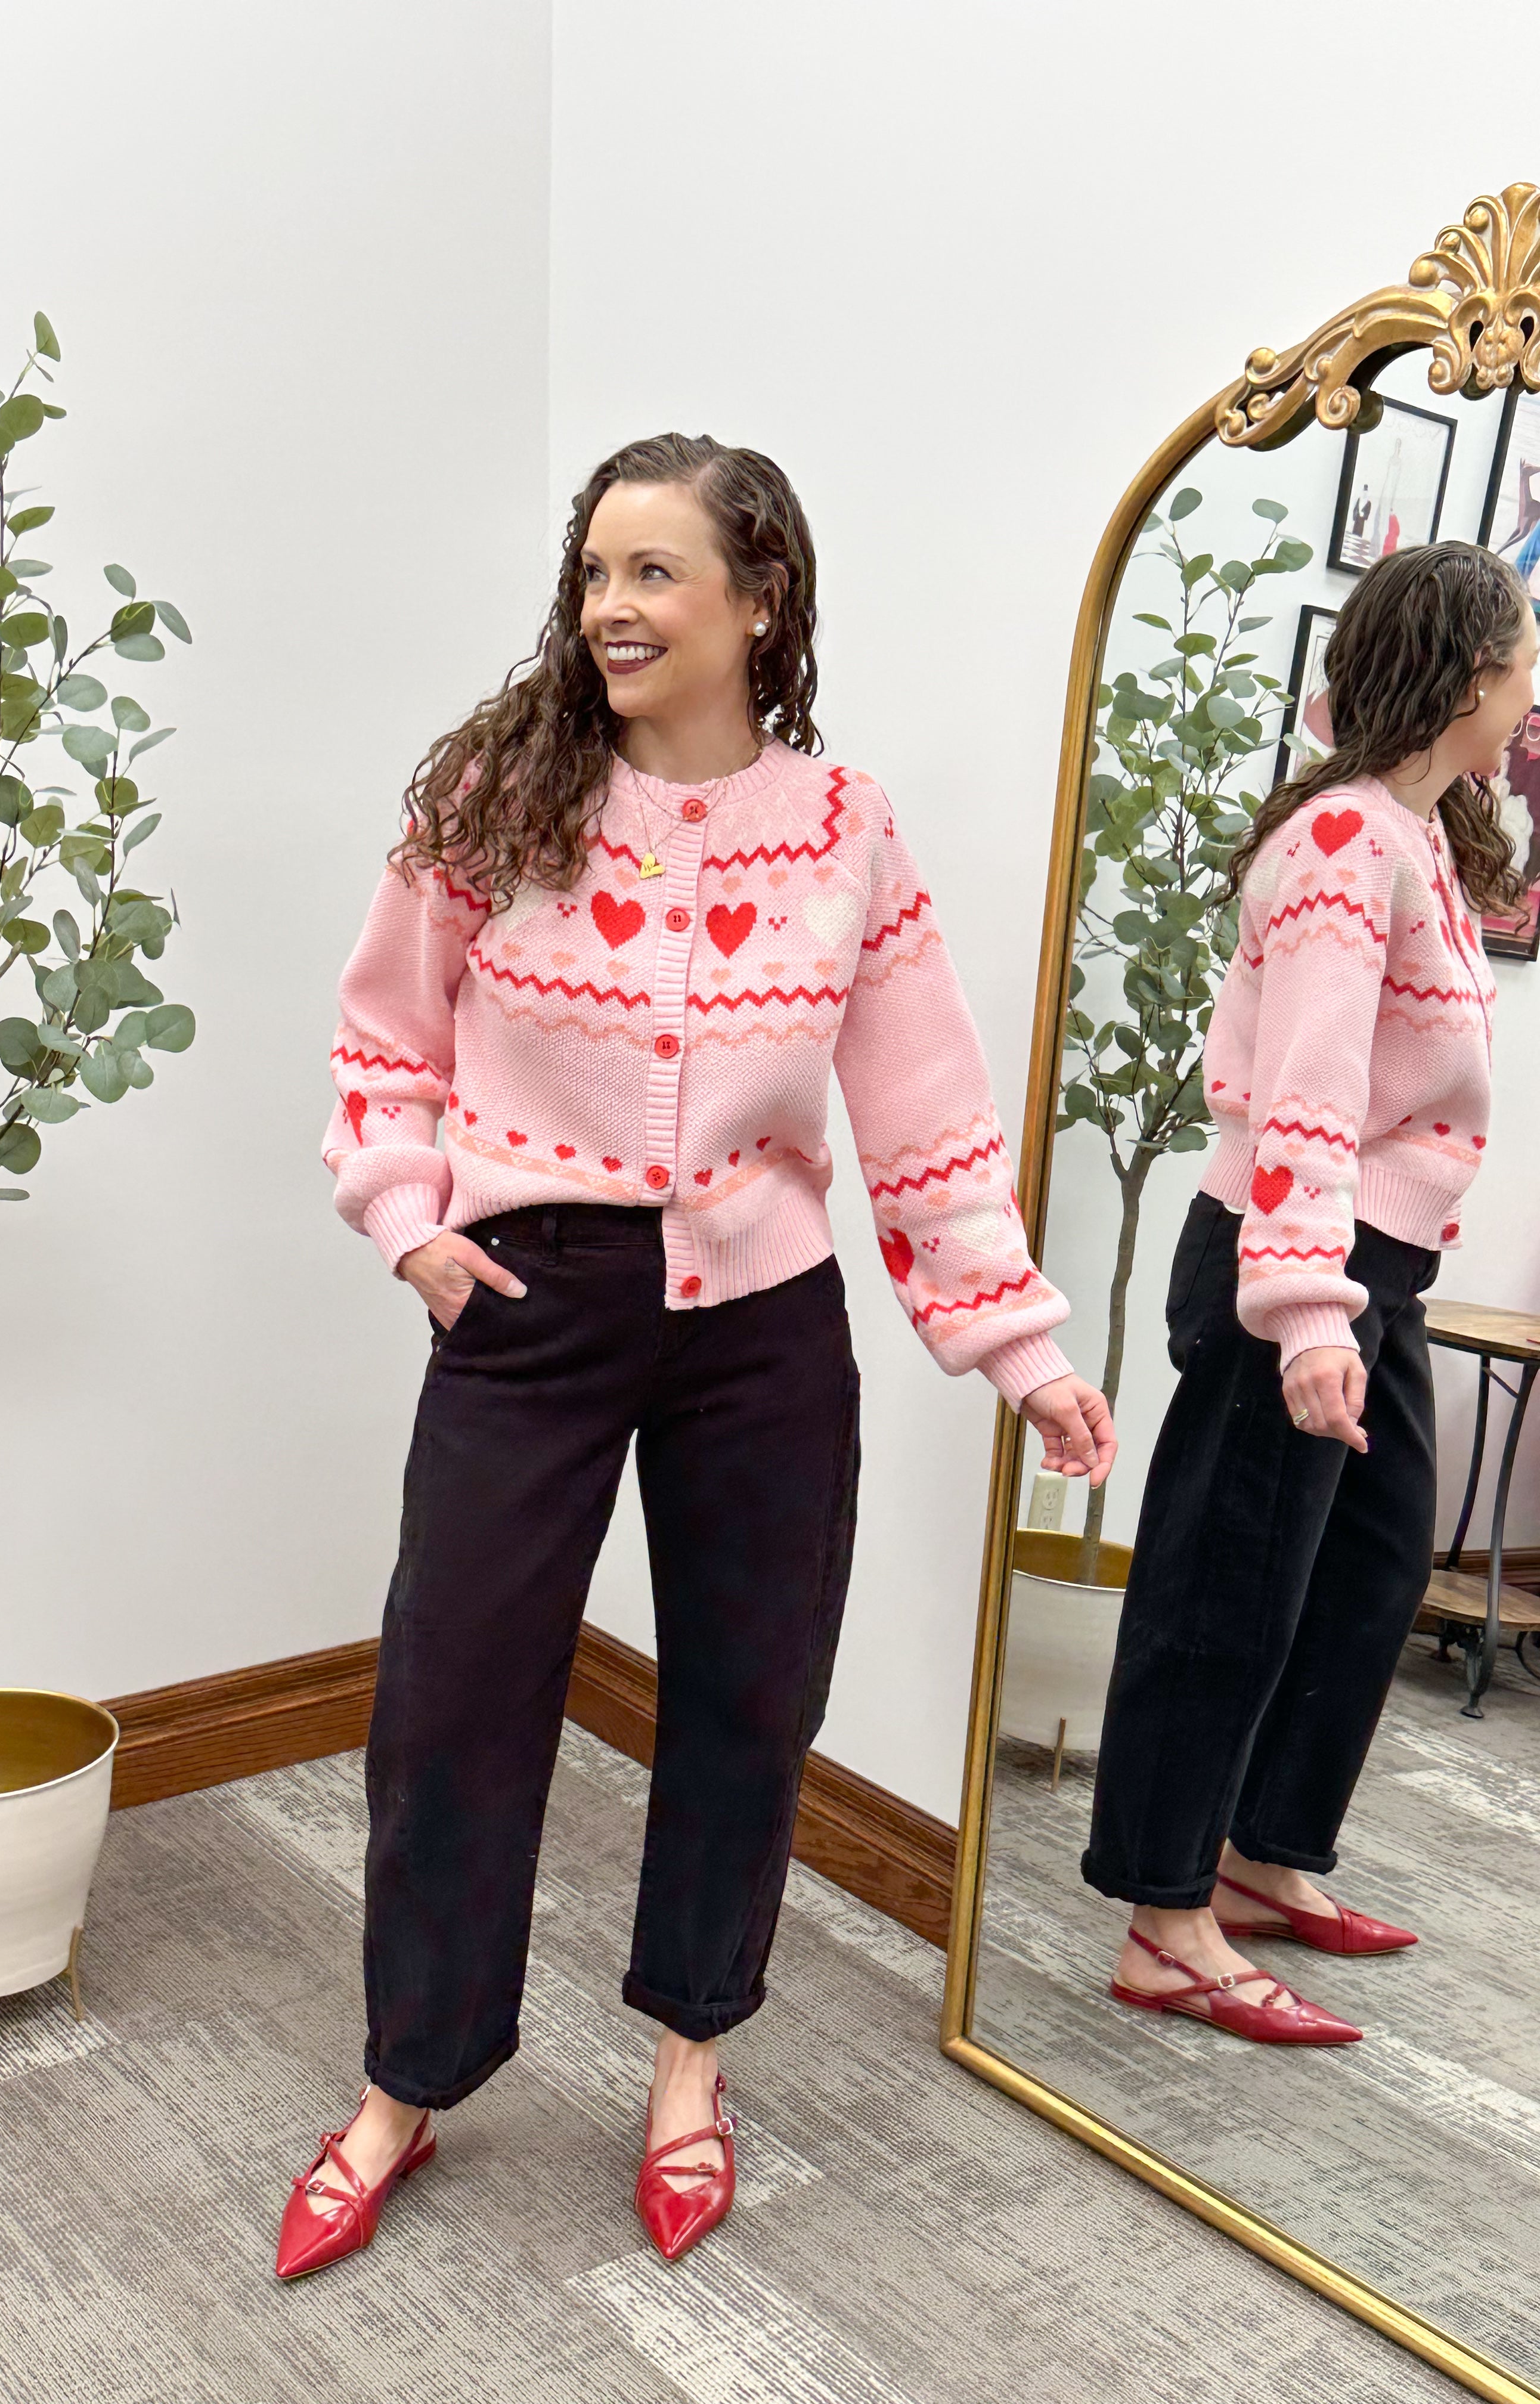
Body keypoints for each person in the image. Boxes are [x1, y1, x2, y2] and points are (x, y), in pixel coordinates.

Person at [278, 432, 1116, 2278]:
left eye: (655, 575)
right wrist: (410, 1219)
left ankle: (686, 2066)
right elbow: (379, 1041)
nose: (611, 610)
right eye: (594, 574)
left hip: (762, 1322)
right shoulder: (499, 795)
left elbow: (927, 1116)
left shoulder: (842, 830)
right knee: (450, 1702)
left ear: (761, 600)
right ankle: (406, 2084)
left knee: (749, 1697)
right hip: (527, 1301)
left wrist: (1018, 1346)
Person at [1082, 540, 1535, 2046]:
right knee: (1231, 1589)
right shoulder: (1344, 846)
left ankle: (1265, 1849)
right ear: (1472, 678)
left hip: (1374, 1268)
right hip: (1300, 1261)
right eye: (1524, 660)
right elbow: (1308, 1100)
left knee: (1366, 1567)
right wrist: (1310, 1312)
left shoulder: (1415, 840)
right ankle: (1164, 1916)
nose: (1535, 690)